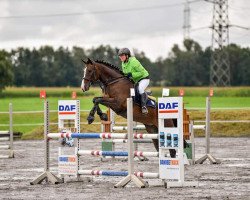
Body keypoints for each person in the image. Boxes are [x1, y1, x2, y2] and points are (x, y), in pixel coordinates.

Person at [118, 48, 150, 114]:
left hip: (144, 78)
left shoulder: (134, 62)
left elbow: (141, 73)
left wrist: (131, 74)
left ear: (127, 56)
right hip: (135, 81)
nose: (120, 57)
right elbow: (126, 74)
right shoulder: (123, 63)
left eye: (122, 55)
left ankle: (144, 107)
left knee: (140, 89)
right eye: (120, 56)